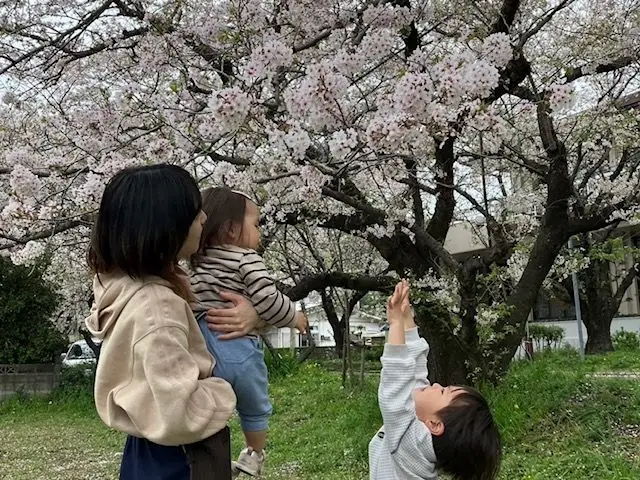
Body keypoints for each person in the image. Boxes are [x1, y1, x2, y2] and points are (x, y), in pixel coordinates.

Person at [85, 164, 261, 480]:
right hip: (181, 456)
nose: (205, 219)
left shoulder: (125, 287)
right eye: (195, 214)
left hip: (147, 450)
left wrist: (252, 315)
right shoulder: (157, 306)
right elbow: (179, 412)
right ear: (165, 225)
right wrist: (224, 389)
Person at [189, 187, 308, 477]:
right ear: (231, 230)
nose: (260, 234)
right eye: (256, 225)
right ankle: (254, 452)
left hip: (201, 351)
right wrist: (294, 317)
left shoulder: (193, 262)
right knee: (254, 405)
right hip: (237, 349)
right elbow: (268, 300)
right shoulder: (247, 259)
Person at [369, 281, 501, 480]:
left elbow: (396, 384)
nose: (436, 384)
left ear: (434, 425)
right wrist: (407, 320)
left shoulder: (410, 444)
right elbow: (416, 377)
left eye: (442, 391)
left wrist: (396, 324)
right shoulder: (421, 438)